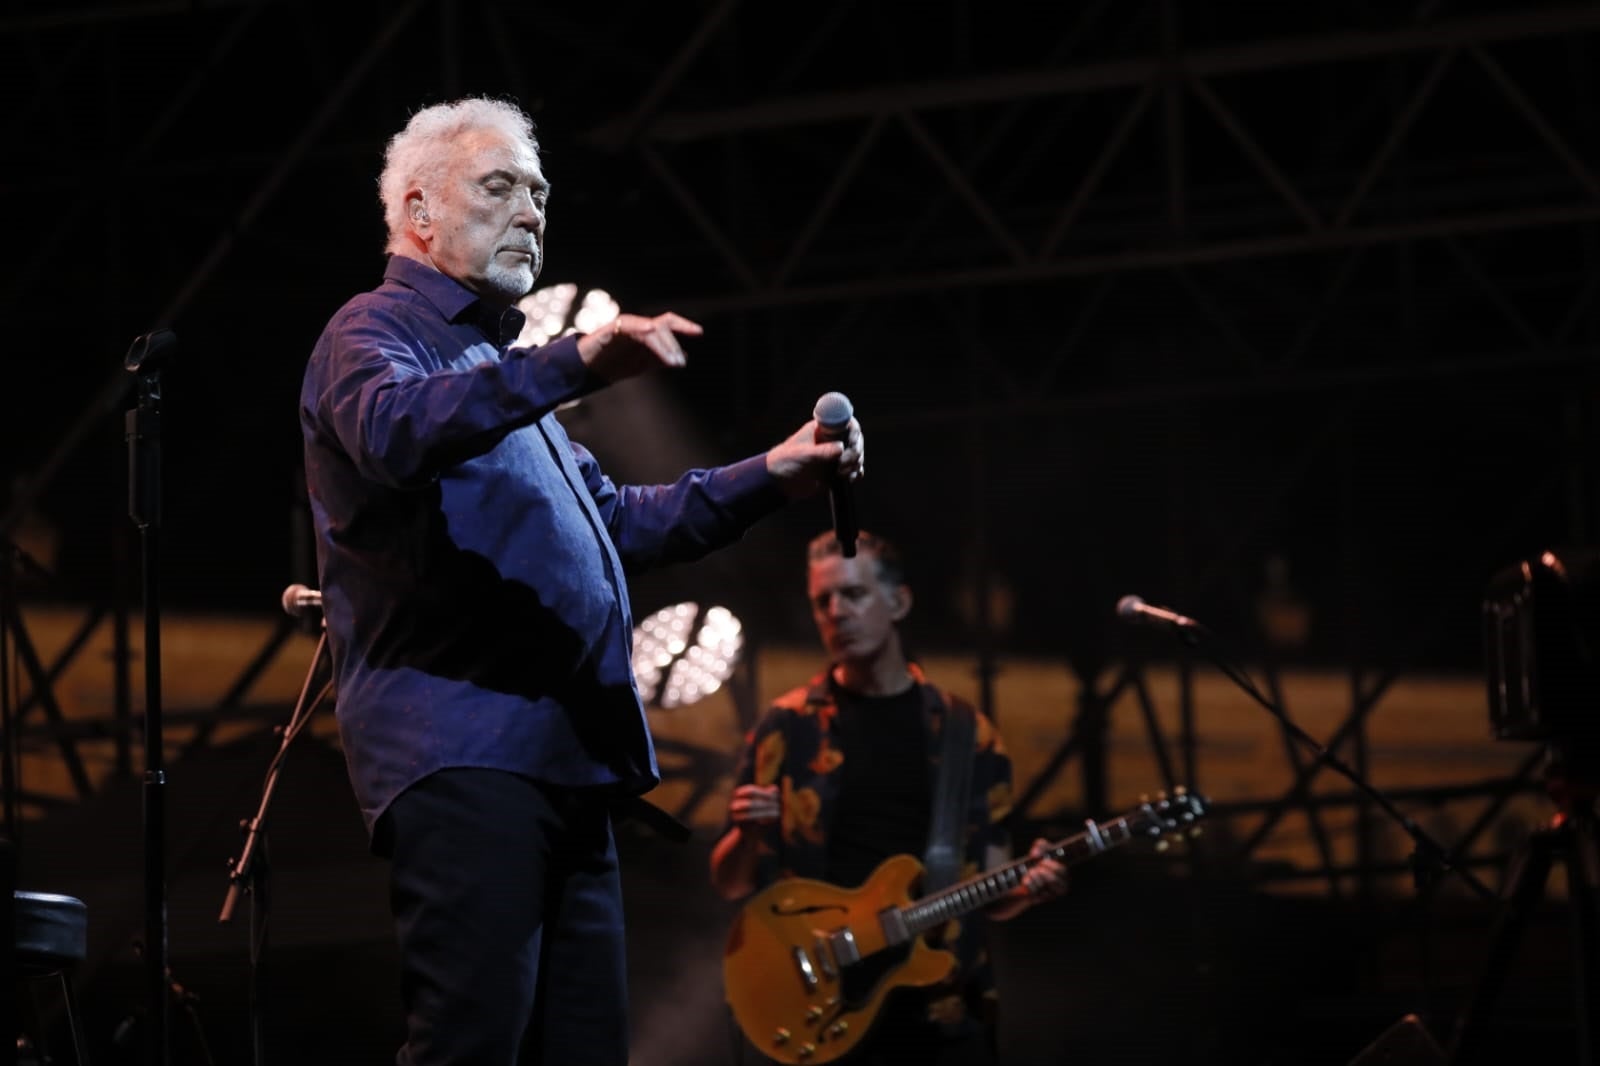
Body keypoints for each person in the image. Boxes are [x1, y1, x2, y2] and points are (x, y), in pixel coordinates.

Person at [298, 95, 863, 1066]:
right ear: (420, 210)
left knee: (584, 1045)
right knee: (471, 1038)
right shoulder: (375, 331)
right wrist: (576, 359)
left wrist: (773, 473)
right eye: (501, 187)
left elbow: (614, 523)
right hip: (464, 747)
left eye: (541, 193)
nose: (532, 212)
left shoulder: (499, 369)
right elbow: (395, 431)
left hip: (561, 761)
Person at [710, 530, 1069, 1066]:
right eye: (822, 601)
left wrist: (1029, 888)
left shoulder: (968, 734)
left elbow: (992, 886)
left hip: (936, 1010)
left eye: (852, 595)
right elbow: (730, 880)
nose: (836, 613)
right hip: (822, 1005)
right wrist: (747, 833)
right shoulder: (785, 726)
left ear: (898, 602)